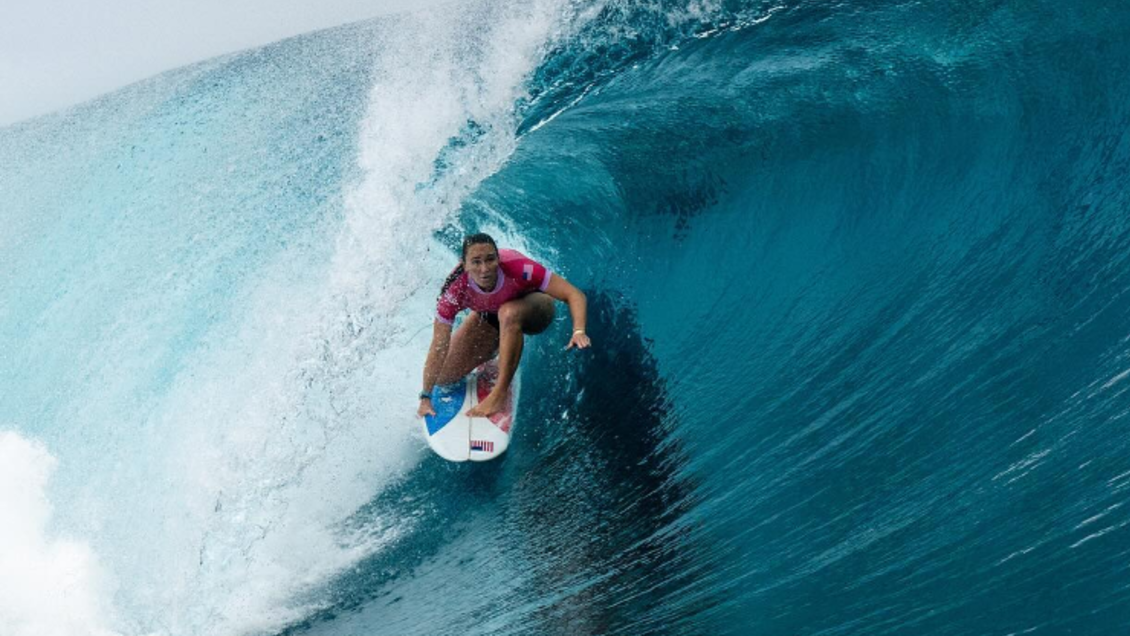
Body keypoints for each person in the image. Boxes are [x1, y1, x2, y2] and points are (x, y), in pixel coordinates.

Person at [417, 233, 590, 418]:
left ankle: (498, 394)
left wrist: (579, 330)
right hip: (491, 316)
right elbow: (439, 345)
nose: (484, 269)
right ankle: (496, 352)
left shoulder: (519, 268)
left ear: (498, 258)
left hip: (536, 308)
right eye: (476, 262)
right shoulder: (454, 290)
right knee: (444, 377)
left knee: (508, 313)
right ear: (464, 264)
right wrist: (425, 396)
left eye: (490, 259)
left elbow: (574, 294)